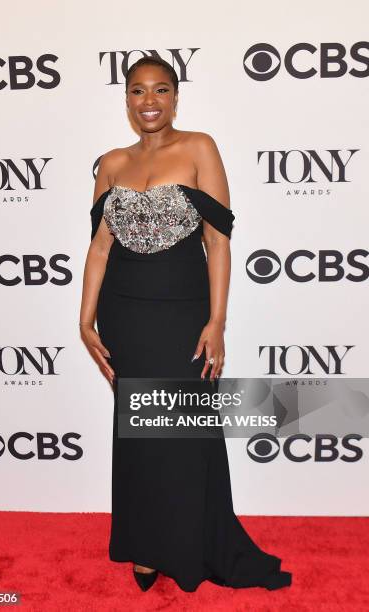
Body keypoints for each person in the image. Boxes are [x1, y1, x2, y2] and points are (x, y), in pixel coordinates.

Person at [79, 56, 292, 593]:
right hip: (124, 312)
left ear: (176, 97)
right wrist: (85, 320)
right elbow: (100, 247)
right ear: (125, 98)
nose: (149, 101)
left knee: (183, 434)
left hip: (182, 310)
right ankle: (145, 545)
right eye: (137, 91)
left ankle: (187, 543)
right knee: (139, 435)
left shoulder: (199, 147)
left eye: (161, 90)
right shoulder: (110, 162)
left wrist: (217, 321)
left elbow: (218, 241)